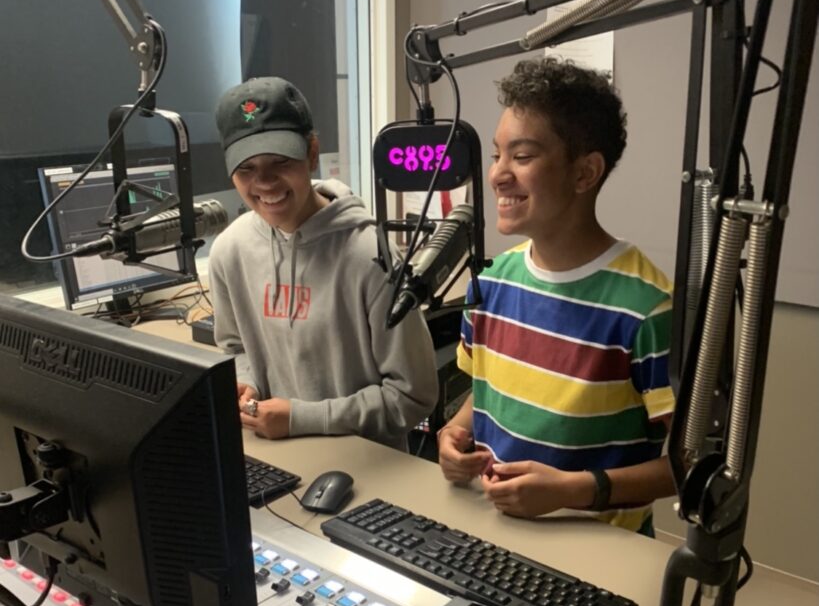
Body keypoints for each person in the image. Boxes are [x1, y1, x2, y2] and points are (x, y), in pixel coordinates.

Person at [437, 57, 675, 535]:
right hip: (495, 533)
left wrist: (574, 489)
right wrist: (453, 435)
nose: (498, 175)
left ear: (585, 173)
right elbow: (481, 396)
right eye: (496, 154)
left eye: (521, 157)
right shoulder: (492, 283)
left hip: (599, 558)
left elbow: (693, 469)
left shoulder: (646, 307)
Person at [209, 76, 439, 450]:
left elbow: (412, 397)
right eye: (246, 168)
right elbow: (234, 347)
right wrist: (246, 381)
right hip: (277, 456)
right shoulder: (229, 252)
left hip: (366, 466)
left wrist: (301, 418)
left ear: (312, 152)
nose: (264, 182)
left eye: (280, 161)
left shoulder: (370, 257)